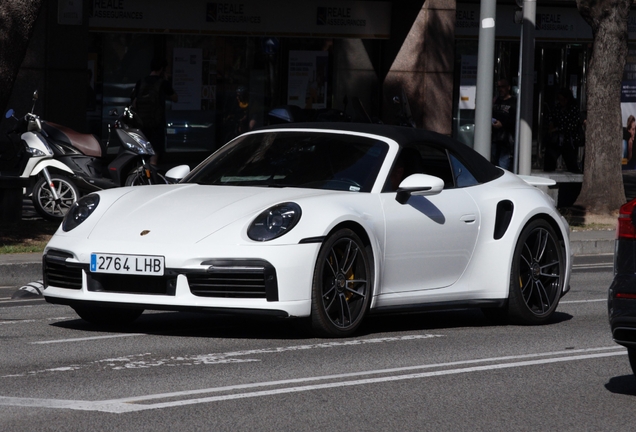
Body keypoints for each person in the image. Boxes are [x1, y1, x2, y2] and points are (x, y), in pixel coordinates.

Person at [130, 57, 178, 166]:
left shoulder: (141, 82)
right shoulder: (163, 83)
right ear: (162, 69)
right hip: (157, 123)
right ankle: (152, 175)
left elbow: (134, 102)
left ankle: (142, 173)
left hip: (142, 123)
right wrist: (167, 80)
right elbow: (175, 98)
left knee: (143, 150)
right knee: (155, 153)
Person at [544, 88, 583, 173]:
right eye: (559, 99)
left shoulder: (573, 109)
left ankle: (573, 184)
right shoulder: (557, 108)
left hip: (569, 140)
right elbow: (551, 116)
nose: (561, 102)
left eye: (563, 99)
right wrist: (551, 125)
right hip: (557, 140)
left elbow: (572, 125)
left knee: (571, 164)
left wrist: (557, 129)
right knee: (549, 161)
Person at [491, 79, 516, 171]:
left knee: (503, 163)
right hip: (495, 137)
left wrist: (502, 124)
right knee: (494, 162)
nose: (500, 89)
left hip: (506, 139)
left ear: (508, 88)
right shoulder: (496, 100)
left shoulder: (513, 102)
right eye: (499, 87)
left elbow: (515, 120)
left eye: (503, 86)